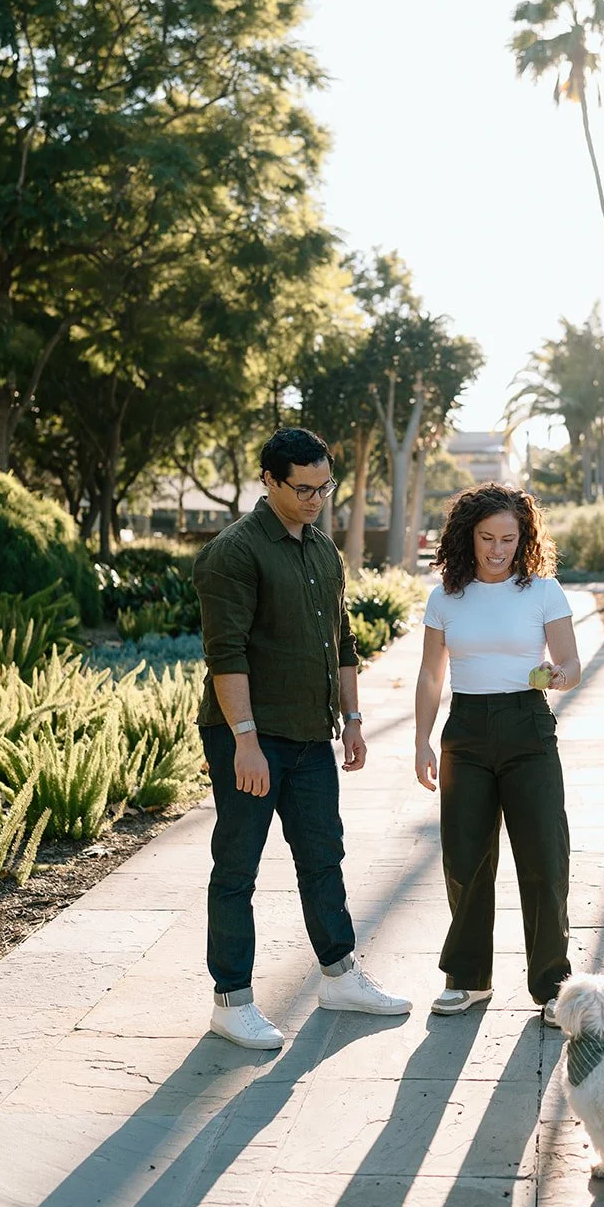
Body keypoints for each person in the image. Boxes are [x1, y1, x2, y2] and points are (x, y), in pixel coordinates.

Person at [193, 426, 411, 1051]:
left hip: (311, 736)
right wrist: (245, 739)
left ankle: (339, 975)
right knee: (237, 866)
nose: (316, 499)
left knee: (323, 856)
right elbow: (224, 653)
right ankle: (231, 1000)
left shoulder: (322, 550)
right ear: (268, 480)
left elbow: (341, 642)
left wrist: (353, 719)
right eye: (303, 488)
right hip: (251, 738)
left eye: (324, 487)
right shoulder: (234, 553)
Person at [414, 483, 581, 1023]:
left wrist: (557, 676)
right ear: (468, 537)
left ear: (523, 538)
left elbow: (570, 666)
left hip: (528, 728)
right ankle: (467, 979)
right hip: (465, 729)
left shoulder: (543, 591)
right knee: (465, 858)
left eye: (508, 538)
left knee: (544, 859)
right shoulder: (445, 597)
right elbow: (430, 673)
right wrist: (421, 740)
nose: (497, 550)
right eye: (487, 538)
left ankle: (554, 986)